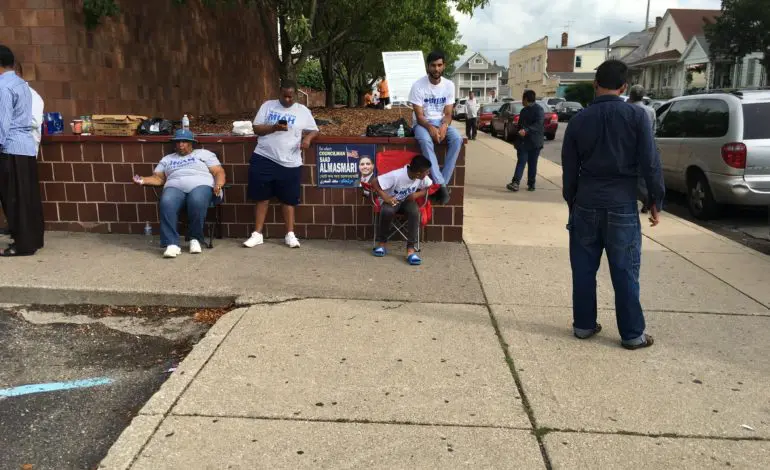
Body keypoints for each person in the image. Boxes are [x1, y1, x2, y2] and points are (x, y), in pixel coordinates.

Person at [561, 59, 665, 350]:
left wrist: (572, 200)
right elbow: (650, 162)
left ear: (595, 84)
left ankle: (583, 325)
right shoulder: (636, 117)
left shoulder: (579, 120)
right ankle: (632, 334)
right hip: (621, 203)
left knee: (583, 269)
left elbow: (569, 167)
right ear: (624, 87)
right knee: (624, 270)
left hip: (586, 202)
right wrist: (654, 200)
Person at [243, 80, 319, 249]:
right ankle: (257, 234)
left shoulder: (302, 111)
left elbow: (314, 129)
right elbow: (256, 129)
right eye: (284, 96)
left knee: (288, 200)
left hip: (290, 161)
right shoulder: (268, 106)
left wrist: (307, 138)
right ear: (279, 93)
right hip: (264, 157)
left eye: (291, 97)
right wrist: (274, 128)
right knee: (261, 198)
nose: (287, 100)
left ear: (296, 95)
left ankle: (290, 234)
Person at [133, 129, 226, 258]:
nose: (181, 145)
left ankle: (195, 238)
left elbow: (218, 172)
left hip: (201, 185)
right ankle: (171, 243)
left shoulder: (204, 154)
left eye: (184, 142)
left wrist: (218, 184)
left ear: (191, 143)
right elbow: (158, 178)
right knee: (166, 201)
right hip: (174, 186)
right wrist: (142, 180)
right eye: (178, 142)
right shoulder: (167, 159)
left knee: (197, 200)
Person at [0, 45, 44, 257]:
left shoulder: (3, 86)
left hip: (10, 148)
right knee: (26, 197)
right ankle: (33, 239)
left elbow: (2, 123)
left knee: (13, 199)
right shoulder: (21, 84)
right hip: (25, 147)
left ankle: (22, 244)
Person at [409, 50, 461, 205]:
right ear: (428, 67)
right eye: (433, 66)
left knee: (457, 139)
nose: (436, 69)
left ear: (444, 66)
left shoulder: (449, 85)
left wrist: (444, 125)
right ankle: (441, 184)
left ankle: (440, 184)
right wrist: (430, 127)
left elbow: (448, 113)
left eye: (439, 65)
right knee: (425, 141)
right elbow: (419, 116)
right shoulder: (418, 85)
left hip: (440, 121)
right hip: (422, 124)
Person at [371, 154, 432, 266]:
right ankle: (382, 244)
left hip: (408, 202)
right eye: (427, 172)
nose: (428, 174)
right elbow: (374, 182)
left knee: (415, 212)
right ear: (418, 173)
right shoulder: (397, 175)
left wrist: (417, 194)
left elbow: (429, 187)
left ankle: (410, 250)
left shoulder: (422, 177)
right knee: (387, 211)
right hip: (392, 201)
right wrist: (386, 197)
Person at [506, 89, 544, 192]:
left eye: (522, 99)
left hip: (534, 142)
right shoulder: (523, 111)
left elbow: (538, 124)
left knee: (532, 163)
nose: (522, 102)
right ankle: (515, 182)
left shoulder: (539, 110)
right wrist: (517, 138)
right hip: (523, 142)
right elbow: (520, 127)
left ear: (526, 99)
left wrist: (526, 130)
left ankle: (531, 183)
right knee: (521, 161)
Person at [628, 84, 657, 214]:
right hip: (647, 146)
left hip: (631, 147)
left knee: (632, 176)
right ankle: (647, 198)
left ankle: (643, 198)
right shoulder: (651, 111)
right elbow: (654, 130)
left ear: (631, 95)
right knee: (645, 175)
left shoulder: (628, 109)